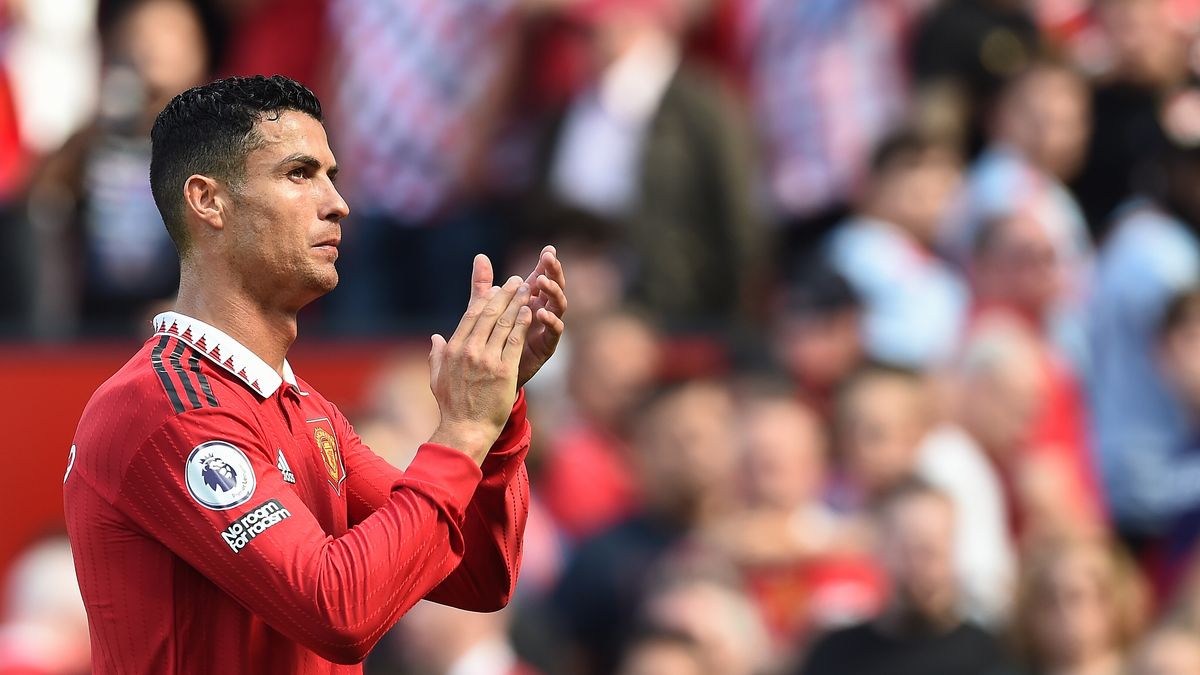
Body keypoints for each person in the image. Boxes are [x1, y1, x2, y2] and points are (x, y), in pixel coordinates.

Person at [62, 75, 568, 673]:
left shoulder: (308, 412)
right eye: (299, 174)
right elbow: (337, 610)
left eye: (332, 175)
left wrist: (497, 406)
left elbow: (479, 573)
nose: (338, 203)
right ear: (208, 201)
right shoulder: (165, 406)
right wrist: (461, 430)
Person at [797, 479, 1016, 675]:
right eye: (906, 549)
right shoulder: (836, 654)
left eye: (930, 550)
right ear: (880, 550)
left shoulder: (991, 656)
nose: (918, 564)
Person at [823, 129, 968, 368]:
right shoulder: (856, 246)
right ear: (875, 185)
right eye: (918, 190)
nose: (933, 198)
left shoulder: (946, 267)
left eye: (944, 186)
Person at [1014, 537, 1148, 675]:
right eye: (1048, 600)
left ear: (1111, 602)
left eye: (1075, 596)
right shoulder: (1009, 668)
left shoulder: (1150, 669)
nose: (1062, 610)